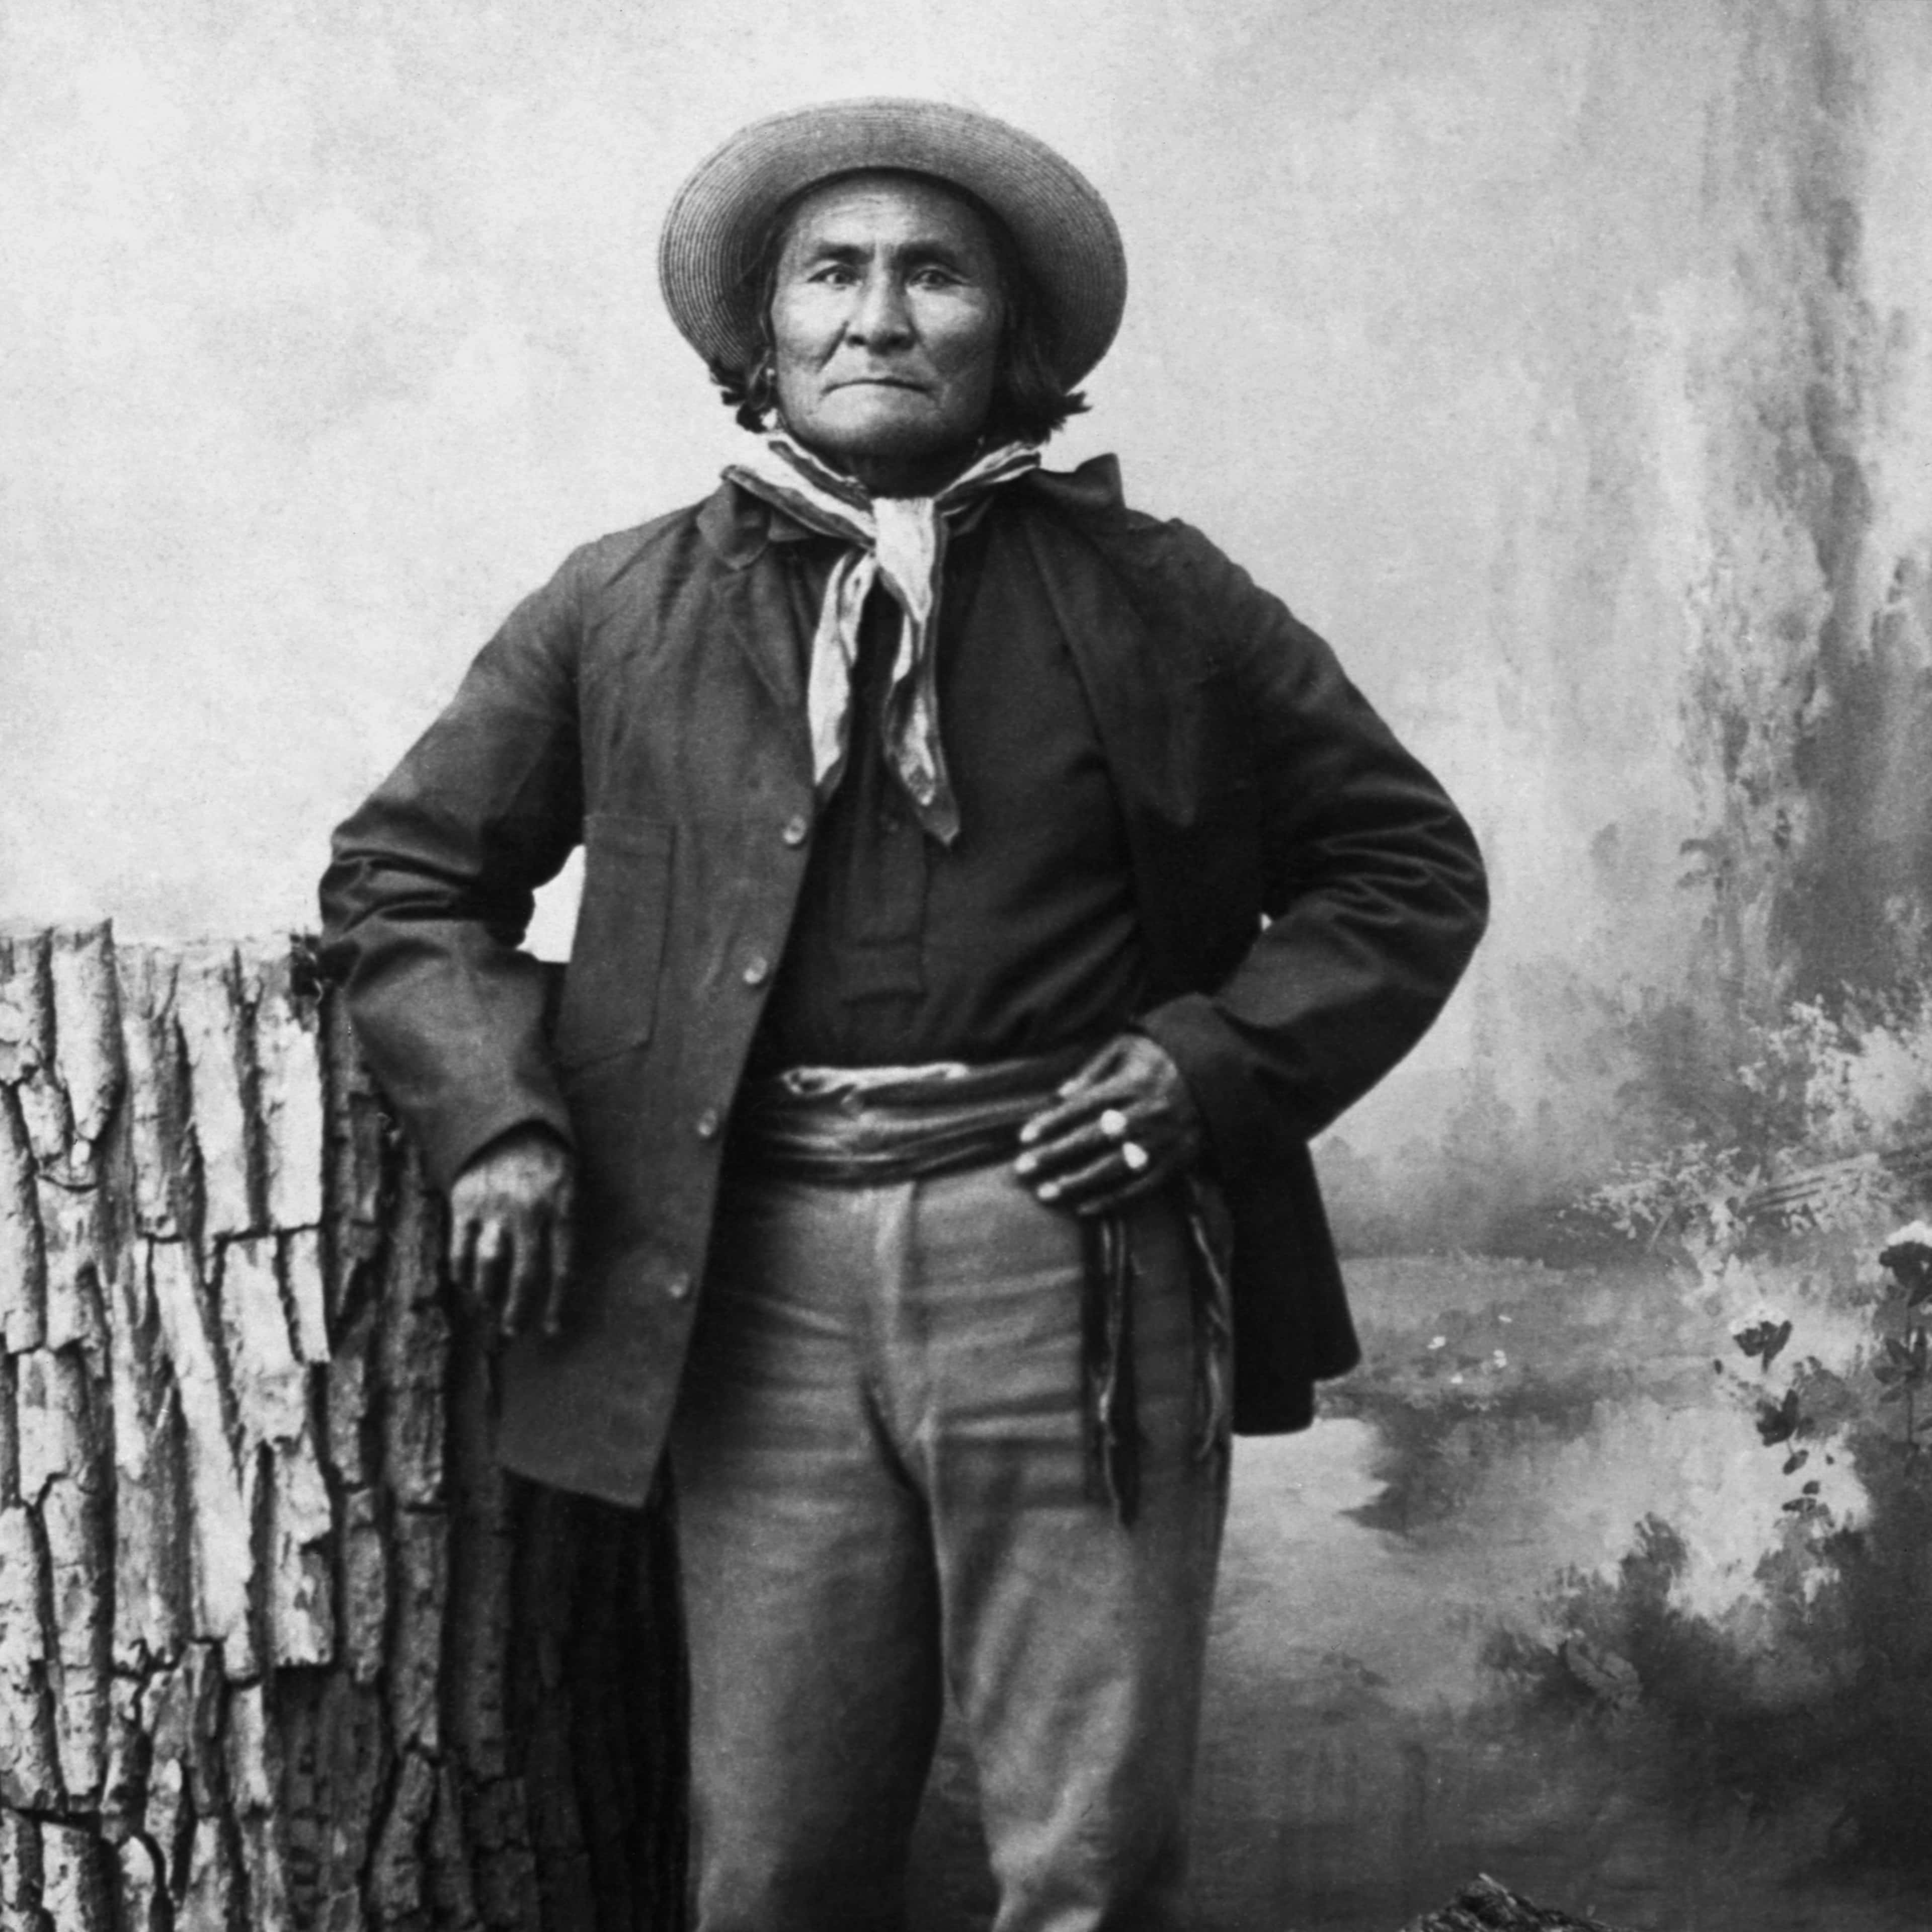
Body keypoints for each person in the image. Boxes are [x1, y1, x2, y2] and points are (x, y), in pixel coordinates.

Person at [320, 98, 1488, 1932]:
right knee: (774, 1866)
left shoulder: (1161, 595)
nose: (877, 315)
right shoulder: (621, 606)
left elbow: (1404, 867)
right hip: (749, 1270)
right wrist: (502, 1121)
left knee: (1085, 1865)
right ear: (764, 331)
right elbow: (403, 882)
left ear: (1008, 338)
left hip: (1077, 1251)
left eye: (934, 275)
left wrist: (1210, 1068)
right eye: (831, 273)